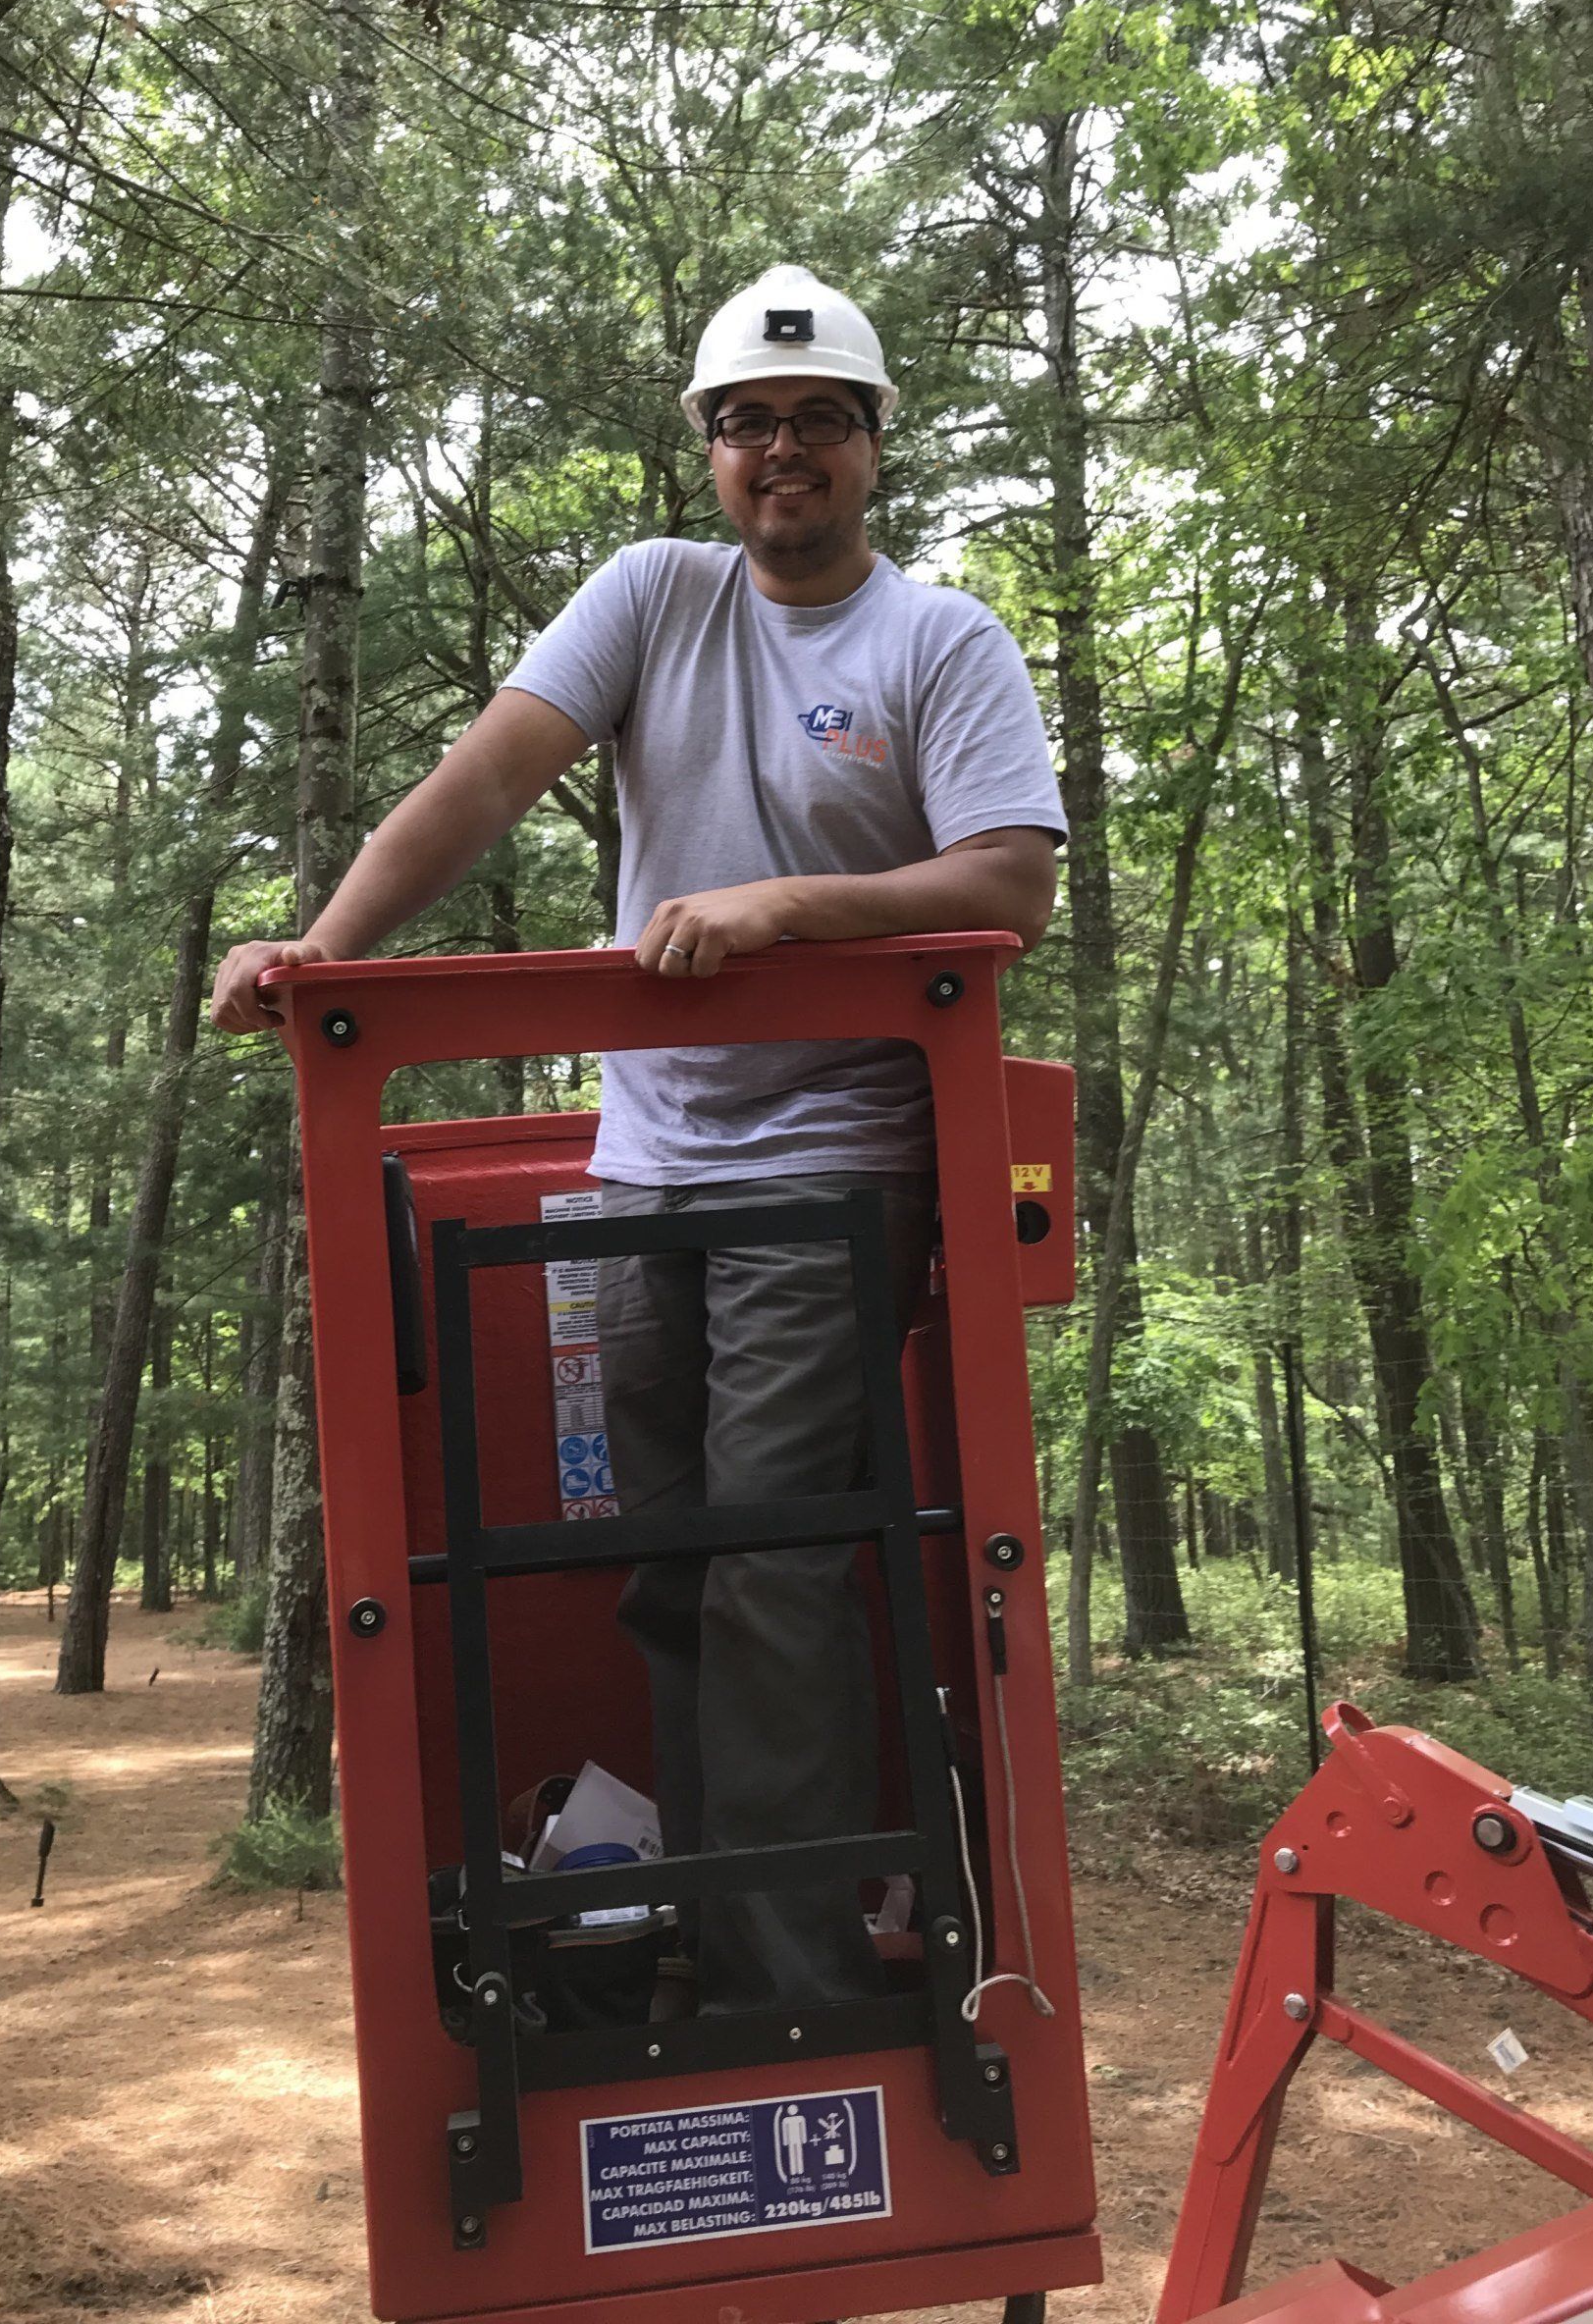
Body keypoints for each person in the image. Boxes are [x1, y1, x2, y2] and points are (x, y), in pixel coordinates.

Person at [210, 263, 1065, 2017]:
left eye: (819, 418)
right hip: (638, 1165)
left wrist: (782, 908)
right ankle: (711, 1909)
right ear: (710, 453)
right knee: (665, 1563)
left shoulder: (939, 644)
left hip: (826, 1171)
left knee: (767, 1562)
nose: (781, 452)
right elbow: (483, 779)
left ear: (874, 445)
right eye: (747, 423)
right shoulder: (656, 598)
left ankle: (790, 1983)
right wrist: (326, 953)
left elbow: (1009, 881)